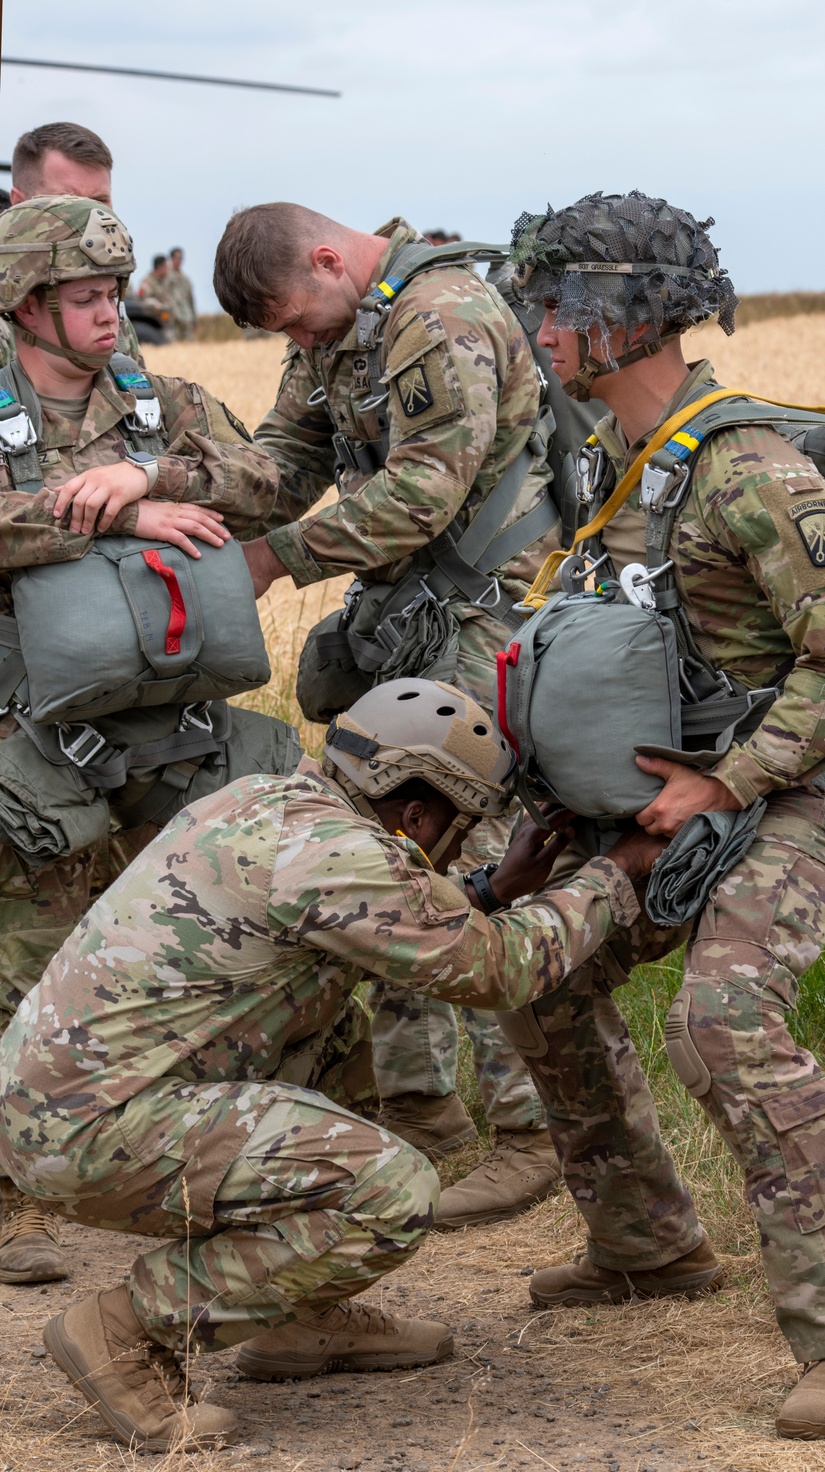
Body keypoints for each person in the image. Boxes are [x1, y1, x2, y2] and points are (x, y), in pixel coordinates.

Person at [495, 192, 825, 1440]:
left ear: (638, 319)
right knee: (536, 968)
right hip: (654, 791)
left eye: (563, 303)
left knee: (725, 1019)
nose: (541, 326)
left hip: (795, 786)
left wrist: (723, 783)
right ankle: (646, 1243)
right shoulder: (601, 471)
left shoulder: (755, 477)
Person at [0, 679, 662, 1453]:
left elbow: (393, 921)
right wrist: (616, 873)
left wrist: (488, 888)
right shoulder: (336, 856)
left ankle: (296, 1318)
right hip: (90, 1135)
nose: (460, 843)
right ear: (415, 813)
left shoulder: (268, 802)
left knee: (341, 1026)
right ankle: (124, 1327)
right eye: (462, 826)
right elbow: (501, 970)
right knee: (392, 1189)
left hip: (72, 1104)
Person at [213, 203, 563, 1227]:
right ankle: (419, 1103)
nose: (301, 346)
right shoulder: (341, 325)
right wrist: (169, 499)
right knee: (381, 851)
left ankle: (530, 1126)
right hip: (411, 622)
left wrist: (276, 556)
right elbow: (285, 456)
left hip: (484, 618)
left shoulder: (439, 314)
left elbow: (422, 492)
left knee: (479, 854)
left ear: (329, 260)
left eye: (301, 325)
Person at [0, 194, 294, 1288]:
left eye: (116, 293)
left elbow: (268, 482)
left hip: (166, 728)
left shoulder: (158, 400)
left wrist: (157, 471)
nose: (109, 314)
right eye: (84, 298)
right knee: (23, 964)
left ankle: (209, 1164)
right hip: (28, 737)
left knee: (207, 953)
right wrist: (113, 515)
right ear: (27, 305)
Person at [1, 122, 142, 364]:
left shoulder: (106, 300)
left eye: (99, 202)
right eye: (67, 200)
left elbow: (135, 392)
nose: (87, 215)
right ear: (19, 203)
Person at [166, 247, 197, 340]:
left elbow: (191, 299)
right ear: (171, 259)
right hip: (173, 318)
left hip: (187, 317)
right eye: (177, 257)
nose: (179, 260)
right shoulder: (166, 277)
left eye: (181, 258)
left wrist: (194, 320)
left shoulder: (186, 279)